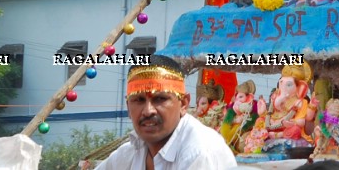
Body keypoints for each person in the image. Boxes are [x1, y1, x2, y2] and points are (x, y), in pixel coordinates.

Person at [86, 56, 236, 170]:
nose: (148, 111)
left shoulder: (199, 152)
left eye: (160, 99)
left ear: (183, 103)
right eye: (138, 100)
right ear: (128, 107)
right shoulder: (130, 152)